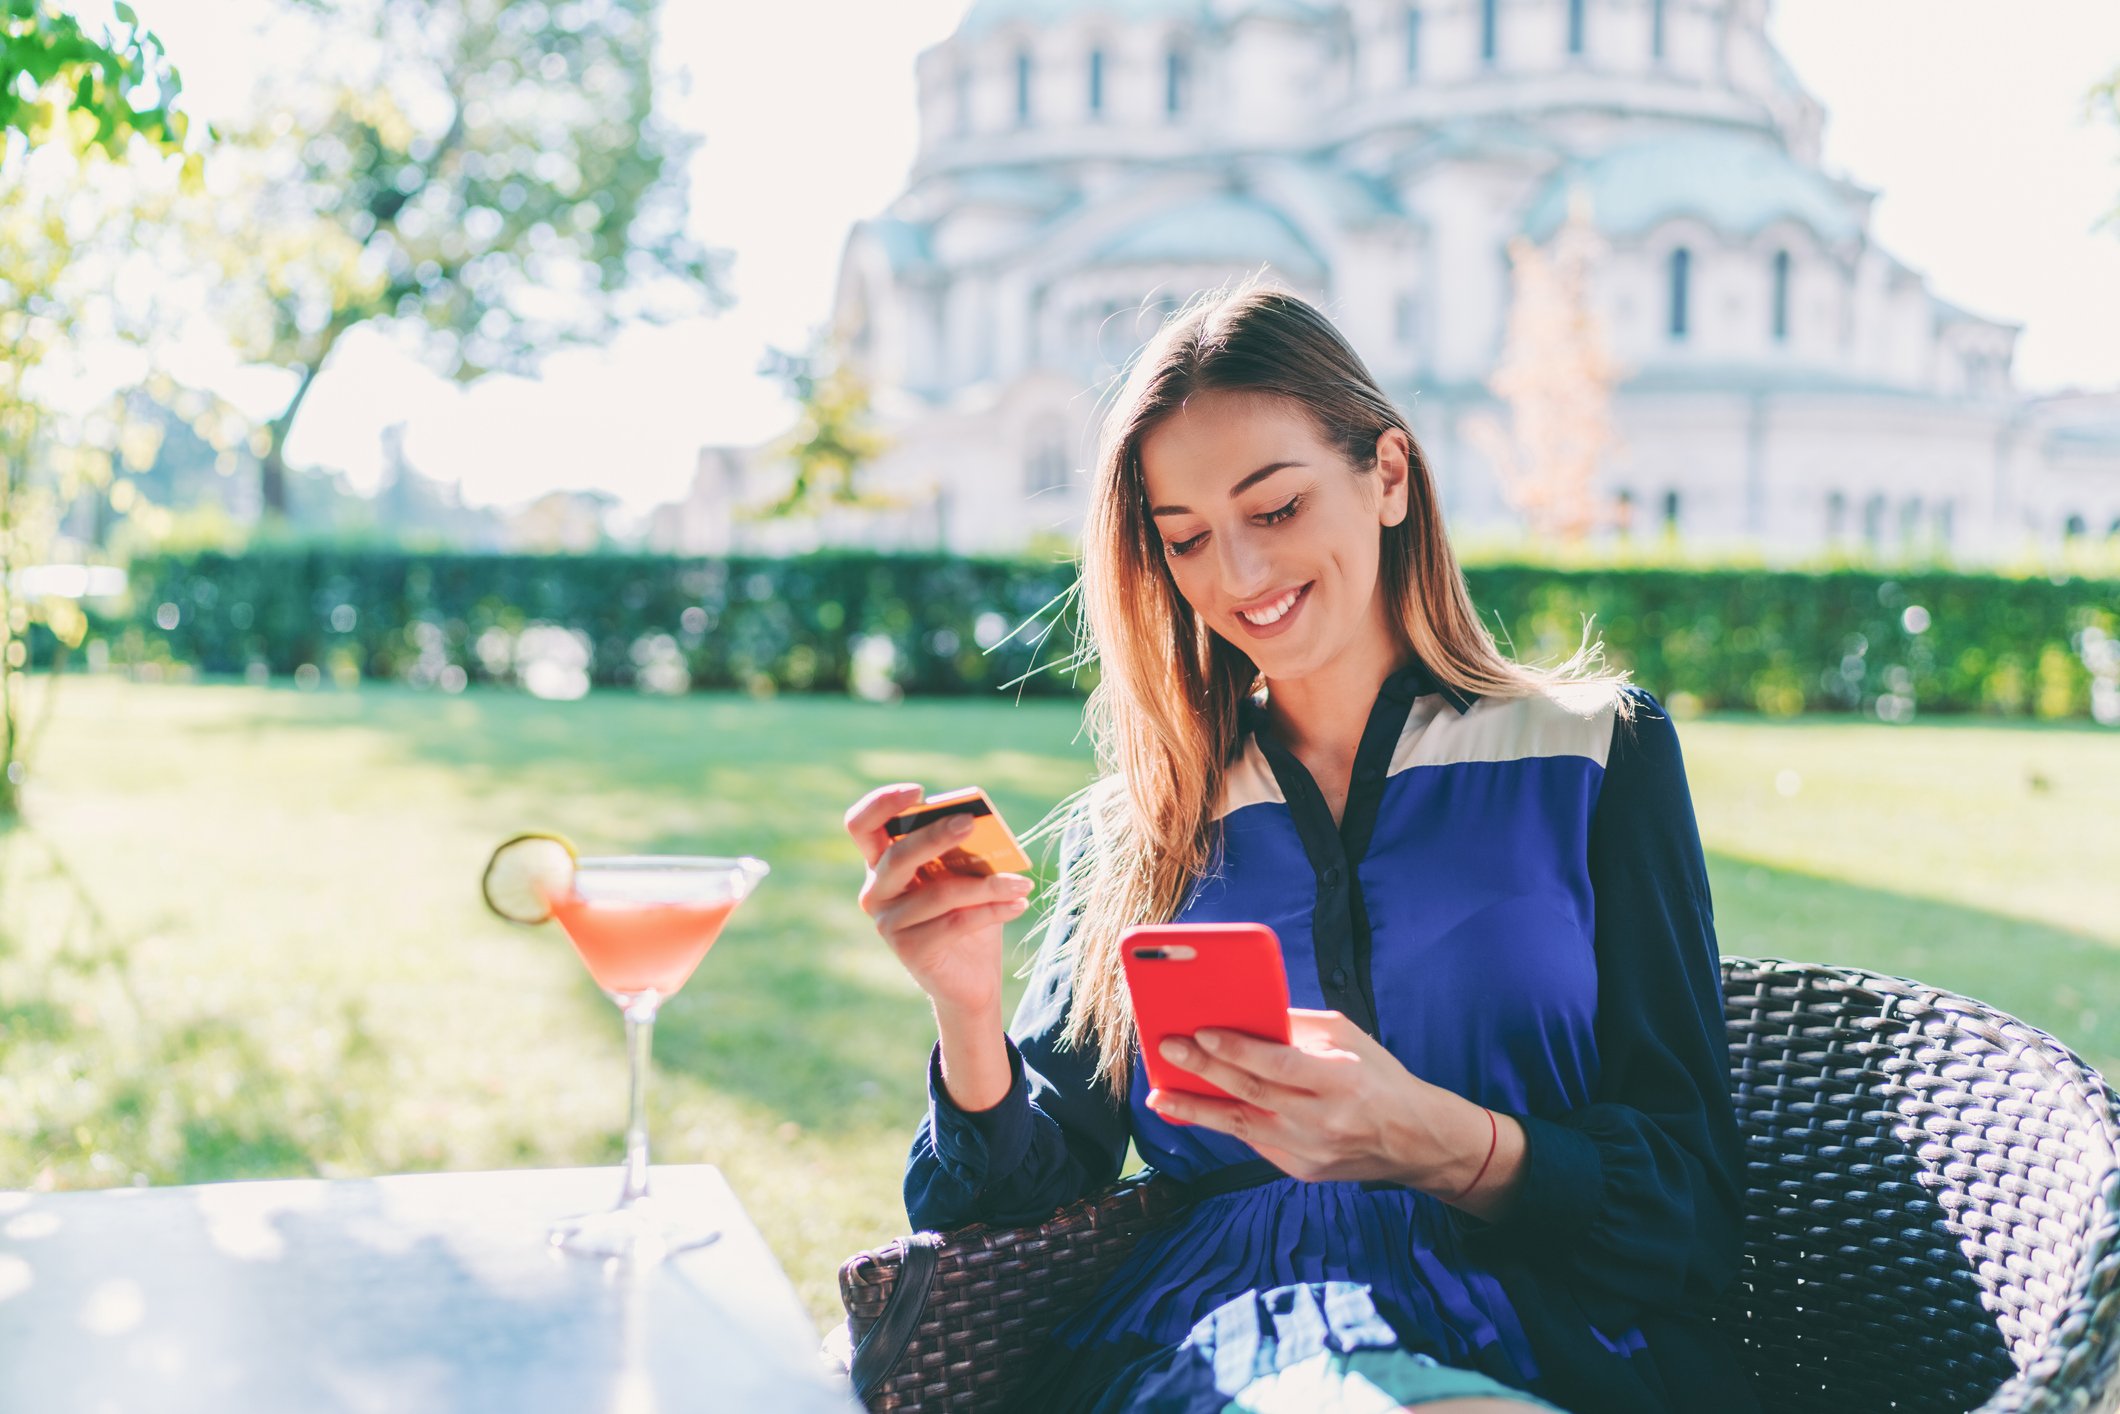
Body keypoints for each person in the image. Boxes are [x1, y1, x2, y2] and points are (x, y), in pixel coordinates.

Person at [844, 284, 1760, 1414]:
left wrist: (1444, 1143)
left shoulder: (1591, 752)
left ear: (1386, 475)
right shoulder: (1147, 819)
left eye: (1273, 510)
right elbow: (1006, 1213)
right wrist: (966, 1011)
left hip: (1551, 1326)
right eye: (1183, 539)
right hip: (1225, 1336)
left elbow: (1691, 1204)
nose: (1235, 576)